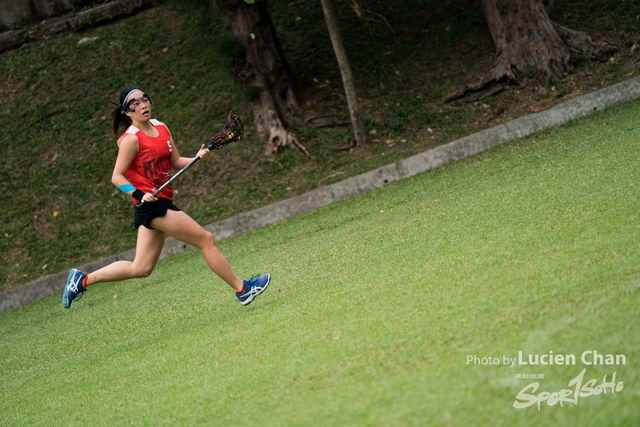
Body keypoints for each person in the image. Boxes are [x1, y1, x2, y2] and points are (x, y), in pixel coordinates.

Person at [62, 86, 270, 308]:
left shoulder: (161, 127)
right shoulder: (131, 140)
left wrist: (197, 157)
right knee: (206, 239)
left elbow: (176, 161)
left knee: (141, 268)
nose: (143, 105)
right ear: (127, 113)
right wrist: (139, 194)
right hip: (151, 205)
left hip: (161, 200)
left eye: (144, 99)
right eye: (135, 104)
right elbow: (117, 177)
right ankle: (243, 290)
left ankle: (82, 280)